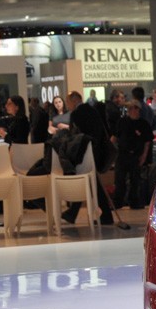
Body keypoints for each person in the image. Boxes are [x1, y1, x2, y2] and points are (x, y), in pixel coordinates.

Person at [51, 90, 114, 226]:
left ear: (75, 100)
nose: (68, 105)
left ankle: (79, 213)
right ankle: (78, 213)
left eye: (68, 102)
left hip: (86, 154)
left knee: (89, 182)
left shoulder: (77, 113)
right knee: (92, 183)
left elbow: (76, 136)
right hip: (95, 151)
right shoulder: (91, 110)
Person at [110, 99, 152, 209]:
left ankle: (134, 201)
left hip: (135, 155)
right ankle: (118, 202)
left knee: (135, 180)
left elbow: (147, 142)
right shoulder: (122, 122)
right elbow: (115, 136)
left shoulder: (143, 124)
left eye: (134, 108)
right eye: (130, 108)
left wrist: (144, 156)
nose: (132, 110)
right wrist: (110, 151)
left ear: (138, 110)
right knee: (119, 180)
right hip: (122, 154)